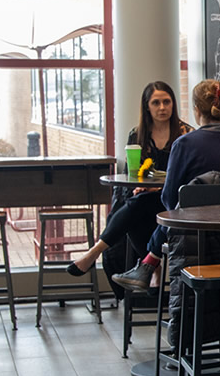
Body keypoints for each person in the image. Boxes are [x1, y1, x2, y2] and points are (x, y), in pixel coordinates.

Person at [112, 78, 220, 291]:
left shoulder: (184, 144)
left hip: (194, 241)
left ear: (197, 110)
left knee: (158, 210)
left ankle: (148, 264)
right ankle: (147, 265)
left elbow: (169, 199)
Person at [67, 81, 192, 277]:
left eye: (167, 102)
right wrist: (139, 187)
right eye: (156, 103)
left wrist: (157, 190)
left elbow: (187, 176)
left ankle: (96, 252)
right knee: (136, 205)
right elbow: (133, 174)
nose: (162, 108)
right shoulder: (137, 135)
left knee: (135, 208)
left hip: (174, 201)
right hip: (147, 200)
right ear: (147, 106)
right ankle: (153, 269)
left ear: (173, 104)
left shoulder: (186, 134)